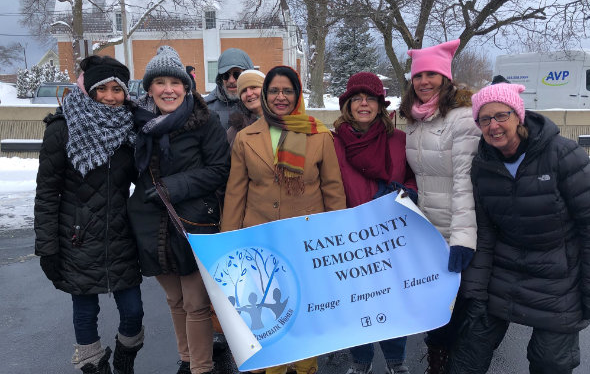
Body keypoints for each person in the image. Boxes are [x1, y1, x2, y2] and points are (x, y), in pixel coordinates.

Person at [447, 83, 590, 374]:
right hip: (505, 268)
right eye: (484, 119)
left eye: (501, 116)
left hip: (558, 273)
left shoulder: (563, 154)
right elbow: (487, 233)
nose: (494, 126)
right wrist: (475, 292)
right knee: (468, 350)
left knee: (550, 361)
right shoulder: (482, 164)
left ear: (518, 114)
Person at [221, 65, 347, 374]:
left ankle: (305, 368)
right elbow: (236, 193)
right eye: (274, 90)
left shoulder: (318, 134)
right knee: (267, 316)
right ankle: (274, 369)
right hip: (260, 241)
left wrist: (338, 236)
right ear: (264, 95)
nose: (280, 97)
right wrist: (228, 242)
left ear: (297, 94)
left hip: (306, 240)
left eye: (287, 90)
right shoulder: (246, 137)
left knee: (305, 313)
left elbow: (332, 189)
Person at [34, 55, 143, 374]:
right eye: (102, 88)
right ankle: (94, 365)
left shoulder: (131, 129)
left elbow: (146, 180)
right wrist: (47, 248)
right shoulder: (62, 129)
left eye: (117, 89)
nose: (110, 96)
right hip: (77, 238)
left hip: (121, 236)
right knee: (84, 312)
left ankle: (126, 354)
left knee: (133, 313)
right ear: (88, 89)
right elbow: (46, 194)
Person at [128, 46, 230, 374]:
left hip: (192, 223)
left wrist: (174, 187)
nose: (168, 89)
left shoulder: (204, 120)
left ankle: (201, 367)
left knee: (197, 302)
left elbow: (219, 168)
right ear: (149, 88)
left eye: (176, 82)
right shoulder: (135, 124)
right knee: (175, 300)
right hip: (150, 224)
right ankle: (185, 359)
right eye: (160, 82)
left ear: (186, 86)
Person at [398, 39, 481, 374]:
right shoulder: (415, 120)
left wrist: (462, 238)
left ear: (445, 78)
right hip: (427, 230)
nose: (424, 81)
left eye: (432, 74)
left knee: (459, 309)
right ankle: (437, 359)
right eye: (419, 75)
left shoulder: (463, 119)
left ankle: (453, 364)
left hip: (456, 228)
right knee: (436, 305)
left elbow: (465, 182)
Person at [333, 72, 417, 374]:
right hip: (352, 236)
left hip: (391, 233)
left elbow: (412, 176)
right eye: (357, 99)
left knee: (393, 300)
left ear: (380, 104)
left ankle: (396, 361)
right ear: (348, 104)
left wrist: (408, 193)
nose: (364, 104)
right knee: (358, 301)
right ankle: (361, 362)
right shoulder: (333, 143)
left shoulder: (399, 140)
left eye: (370, 98)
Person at [205, 48, 254, 129]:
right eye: (226, 75)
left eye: (237, 74)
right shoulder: (206, 109)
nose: (231, 80)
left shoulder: (260, 105)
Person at [226, 69, 266, 144]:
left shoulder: (283, 121)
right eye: (244, 90)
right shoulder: (236, 130)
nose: (249, 93)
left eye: (253, 87)